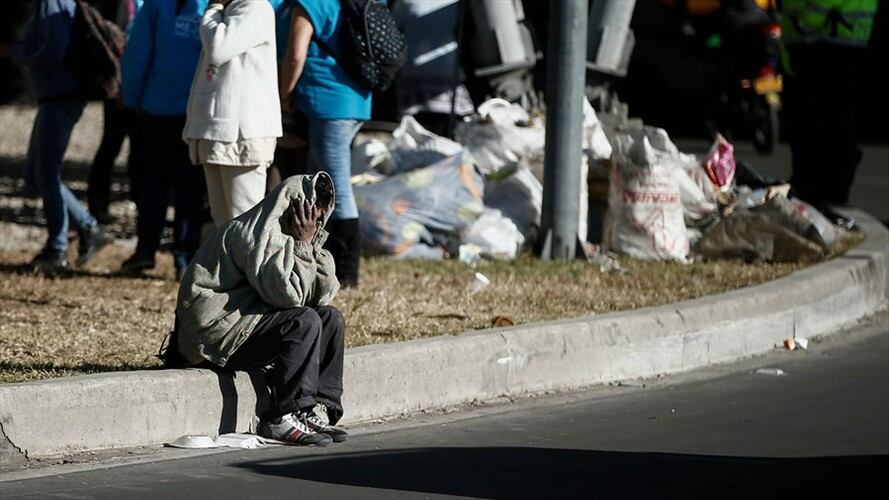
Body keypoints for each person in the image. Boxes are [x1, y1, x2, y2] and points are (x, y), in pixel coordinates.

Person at [175, 172, 347, 446]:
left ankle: (313, 408)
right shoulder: (255, 236)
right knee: (303, 322)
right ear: (293, 206)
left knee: (330, 318)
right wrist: (303, 245)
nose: (315, 219)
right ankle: (279, 417)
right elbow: (290, 297)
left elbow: (321, 296)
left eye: (320, 215)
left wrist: (313, 244)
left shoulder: (290, 235)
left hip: (246, 320)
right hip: (216, 335)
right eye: (310, 211)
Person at [12, 0, 114, 274]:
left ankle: (60, 247)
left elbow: (54, 50)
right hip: (56, 96)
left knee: (46, 173)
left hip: (61, 96)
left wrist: (18, 54)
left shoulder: (53, 1)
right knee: (36, 173)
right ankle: (83, 229)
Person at [279, 0, 372, 288]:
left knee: (335, 187)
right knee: (317, 184)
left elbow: (296, 54)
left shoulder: (310, 3)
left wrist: (282, 97)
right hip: (355, 99)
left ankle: (346, 274)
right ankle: (318, 259)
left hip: (328, 102)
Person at [120, 0, 210, 278]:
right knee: (190, 188)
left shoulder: (157, 4)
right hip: (195, 111)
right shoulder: (215, 6)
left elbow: (137, 53)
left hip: (156, 107)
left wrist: (131, 98)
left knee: (153, 183)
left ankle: (146, 250)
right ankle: (184, 258)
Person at [183, 0, 281, 227]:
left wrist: (213, 8)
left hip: (241, 136)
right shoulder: (230, 9)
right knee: (223, 224)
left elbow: (219, 49)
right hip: (217, 134)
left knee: (244, 224)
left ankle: (250, 265)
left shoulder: (254, 7)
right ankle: (228, 264)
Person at [780, 0, 877, 217]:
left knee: (824, 117)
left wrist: (808, 21)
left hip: (826, 35)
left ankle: (825, 183)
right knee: (827, 116)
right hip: (828, 35)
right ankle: (821, 180)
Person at [86, 0, 144, 224]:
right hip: (120, 88)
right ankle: (97, 206)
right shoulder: (121, 4)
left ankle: (142, 206)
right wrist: (116, 86)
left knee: (139, 152)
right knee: (111, 146)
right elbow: (110, 45)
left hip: (141, 88)